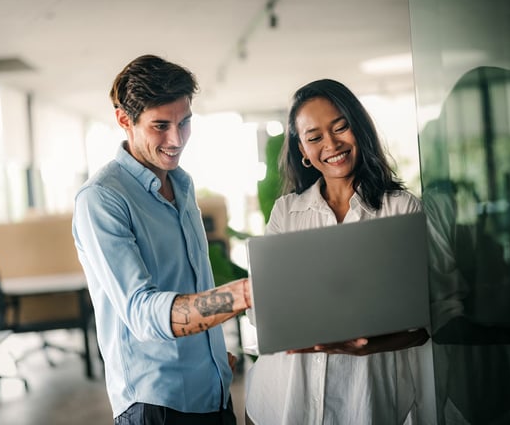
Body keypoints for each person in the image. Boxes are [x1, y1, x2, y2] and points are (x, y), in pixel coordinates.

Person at [72, 54, 251, 425]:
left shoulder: (182, 185)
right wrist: (243, 294)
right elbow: (141, 311)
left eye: (184, 123)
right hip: (155, 407)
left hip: (213, 393)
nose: (176, 139)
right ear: (125, 120)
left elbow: (189, 286)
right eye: (160, 125)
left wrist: (212, 356)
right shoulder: (102, 199)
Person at [244, 79, 432, 424]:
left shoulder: (402, 209)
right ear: (302, 150)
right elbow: (264, 310)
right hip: (287, 399)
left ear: (359, 129)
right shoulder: (287, 212)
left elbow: (427, 322)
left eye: (340, 127)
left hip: (363, 400)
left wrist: (369, 344)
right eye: (314, 137)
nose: (331, 144)